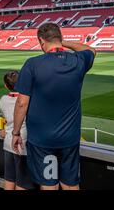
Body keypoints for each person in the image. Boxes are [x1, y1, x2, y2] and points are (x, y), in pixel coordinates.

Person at [12, 23, 96, 190]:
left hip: (41, 140)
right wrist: (63, 43)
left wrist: (15, 132)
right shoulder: (78, 61)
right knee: (71, 185)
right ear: (60, 39)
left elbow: (22, 103)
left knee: (48, 185)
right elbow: (91, 50)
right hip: (70, 139)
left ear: (41, 41)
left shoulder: (32, 64)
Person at [0, 71, 34, 190]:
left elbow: (2, 118)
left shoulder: (3, 100)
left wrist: (1, 128)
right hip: (23, 145)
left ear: (6, 86)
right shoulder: (28, 100)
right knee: (22, 183)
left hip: (8, 143)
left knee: (9, 179)